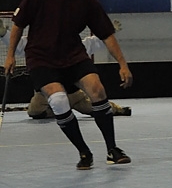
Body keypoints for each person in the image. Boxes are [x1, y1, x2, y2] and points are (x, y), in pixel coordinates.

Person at [4, 0, 133, 169]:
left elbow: (107, 34)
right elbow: (18, 23)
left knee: (97, 89)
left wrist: (123, 64)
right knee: (58, 101)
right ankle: (84, 152)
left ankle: (112, 149)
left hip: (73, 56)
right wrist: (10, 56)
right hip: (41, 59)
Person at [0, 18, 131, 118]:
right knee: (34, 111)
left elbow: (93, 43)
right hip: (46, 95)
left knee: (98, 108)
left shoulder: (74, 47)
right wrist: (4, 34)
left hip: (74, 95)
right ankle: (57, 111)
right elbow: (20, 45)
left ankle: (118, 109)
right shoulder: (37, 45)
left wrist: (108, 31)